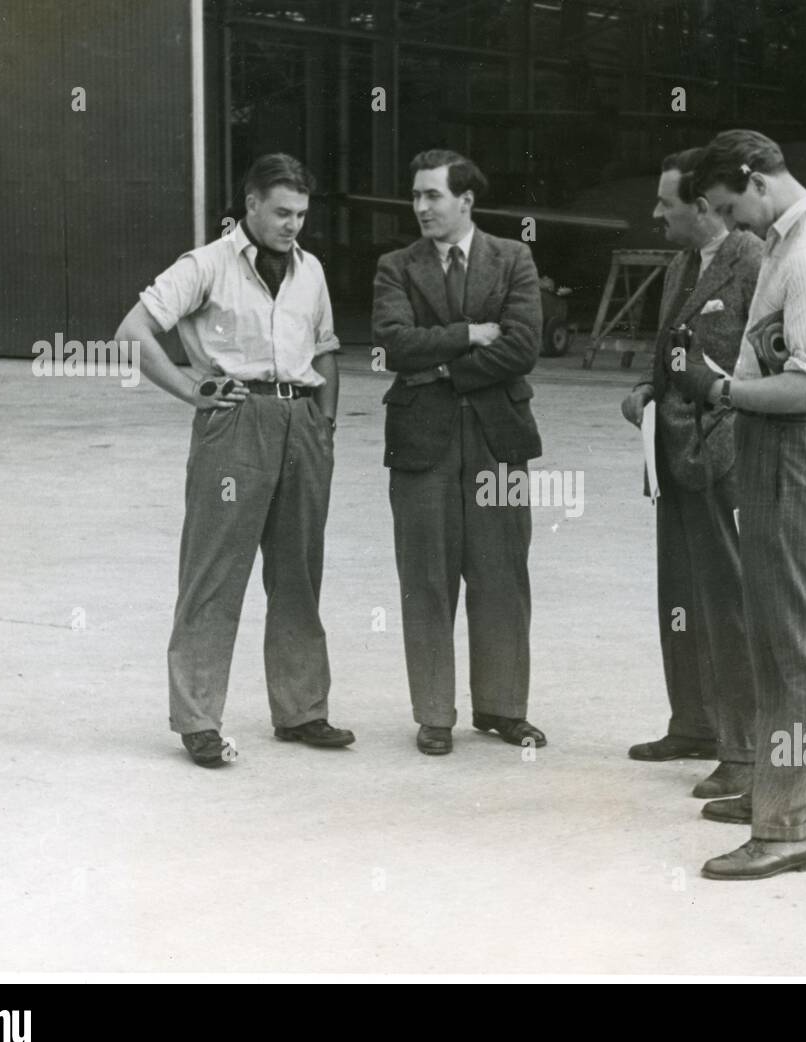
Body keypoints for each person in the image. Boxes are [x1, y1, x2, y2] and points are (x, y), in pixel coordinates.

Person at [115, 152, 351, 768]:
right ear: (249, 205)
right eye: (280, 212)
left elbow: (325, 349)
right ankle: (198, 720)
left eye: (300, 213)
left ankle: (302, 711)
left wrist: (323, 423)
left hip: (301, 424)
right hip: (236, 424)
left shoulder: (312, 271)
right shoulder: (206, 265)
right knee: (215, 572)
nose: (292, 224)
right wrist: (191, 389)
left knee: (299, 572)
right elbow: (132, 332)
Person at [675, 130, 806, 879]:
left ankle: (791, 824)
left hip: (800, 451)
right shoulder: (791, 240)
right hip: (774, 448)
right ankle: (773, 783)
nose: (734, 224)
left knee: (795, 648)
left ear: (755, 179)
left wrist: (721, 389)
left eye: (731, 207)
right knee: (770, 636)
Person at [372, 149, 547, 757]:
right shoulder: (396, 266)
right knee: (426, 577)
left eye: (433, 196)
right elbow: (394, 343)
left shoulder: (514, 257)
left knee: (502, 573)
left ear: (466, 201)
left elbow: (523, 346)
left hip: (499, 441)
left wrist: (441, 365)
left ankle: (502, 709)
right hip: (422, 443)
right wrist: (470, 336)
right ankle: (434, 714)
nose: (420, 207)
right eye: (416, 196)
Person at [621, 147, 763, 800]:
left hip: (721, 457)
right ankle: (694, 723)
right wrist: (648, 397)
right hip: (673, 457)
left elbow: (755, 363)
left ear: (702, 209)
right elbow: (674, 357)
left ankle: (743, 748)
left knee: (729, 605)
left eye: (666, 204)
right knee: (680, 596)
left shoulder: (752, 262)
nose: (656, 214)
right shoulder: (683, 264)